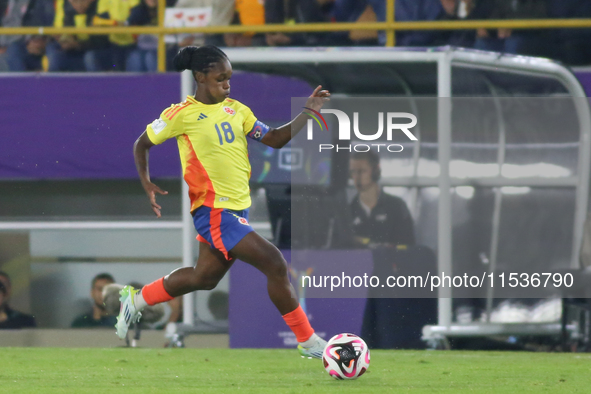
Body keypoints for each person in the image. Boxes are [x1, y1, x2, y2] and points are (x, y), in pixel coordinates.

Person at [116, 45, 331, 358]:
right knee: (275, 263)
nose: (227, 83)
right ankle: (308, 340)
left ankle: (134, 301)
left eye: (229, 78)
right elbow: (142, 143)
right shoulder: (181, 115)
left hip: (236, 209)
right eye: (220, 78)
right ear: (201, 77)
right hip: (213, 210)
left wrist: (308, 111)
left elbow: (275, 140)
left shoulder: (237, 110)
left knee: (204, 278)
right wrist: (146, 181)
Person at [349, 150, 415, 248]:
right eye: (353, 171)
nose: (357, 177)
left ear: (375, 171)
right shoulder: (348, 210)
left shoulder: (396, 206)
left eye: (362, 171)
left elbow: (407, 245)